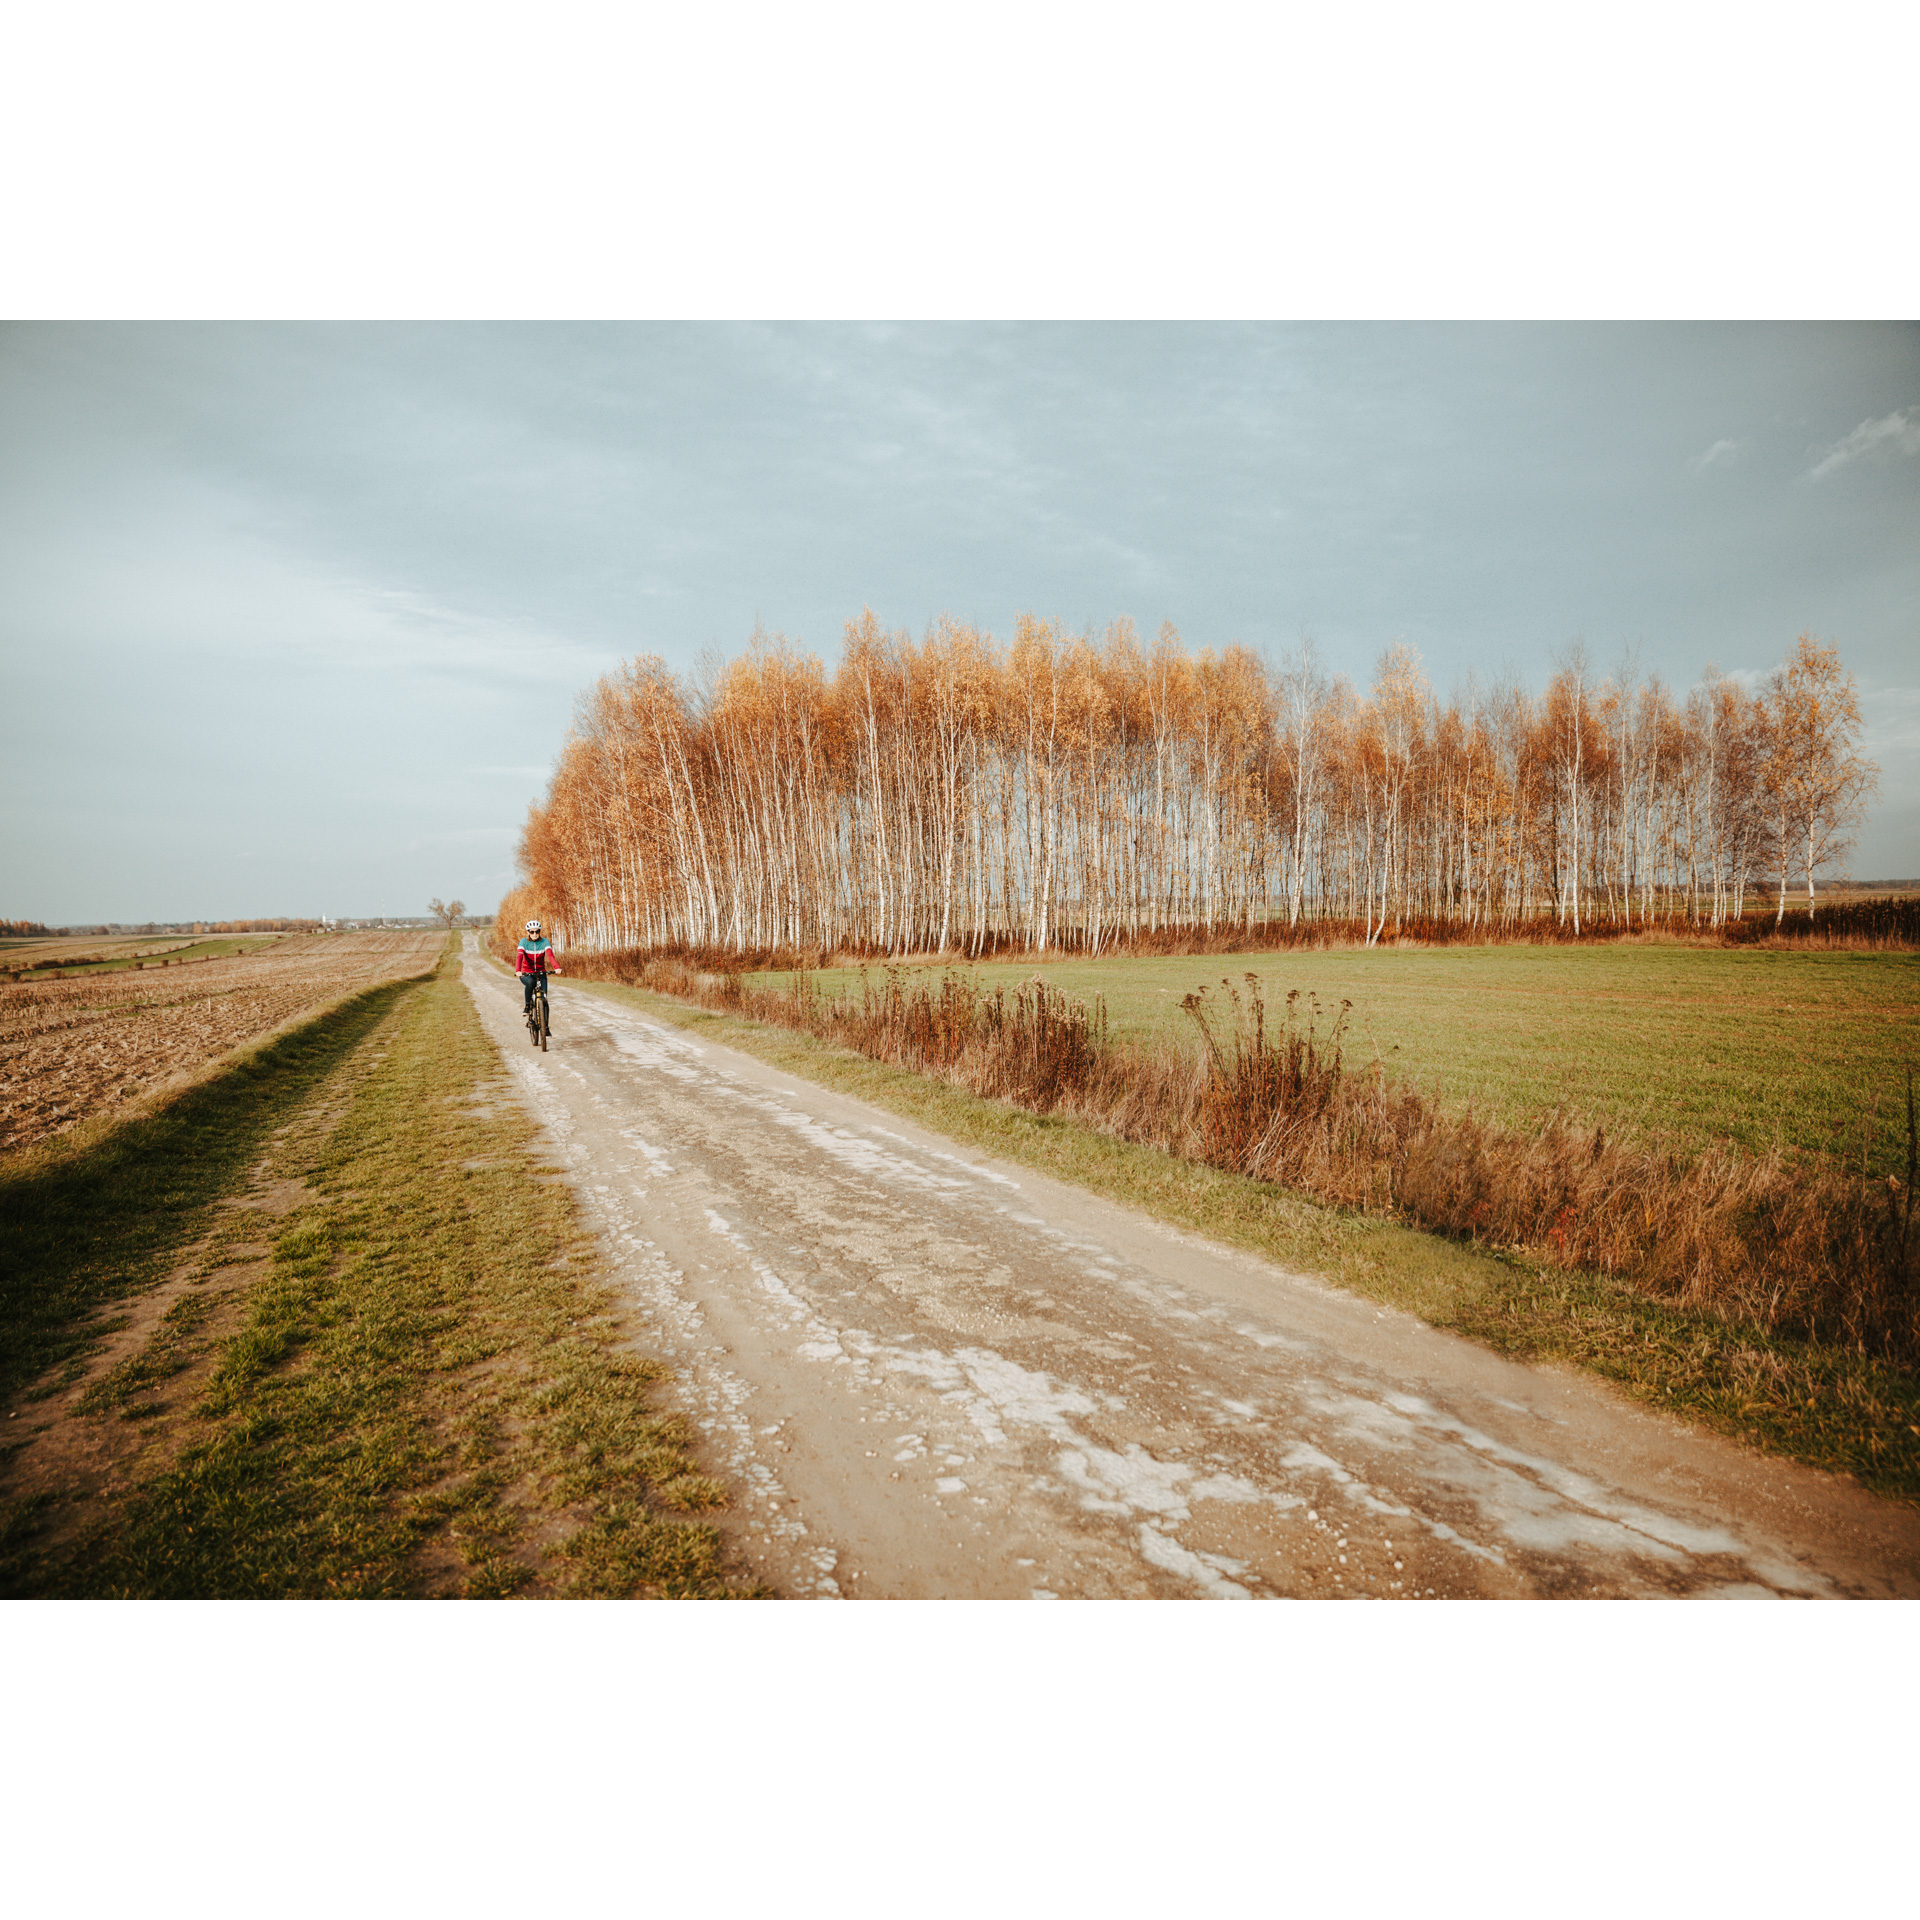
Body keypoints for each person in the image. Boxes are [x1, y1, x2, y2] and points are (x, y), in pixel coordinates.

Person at [516, 919, 562, 1027]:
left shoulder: (544, 942)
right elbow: (519, 957)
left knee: (544, 1000)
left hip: (541, 973)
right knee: (530, 983)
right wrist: (518, 970)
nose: (535, 934)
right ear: (528, 932)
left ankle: (545, 1026)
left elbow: (550, 956)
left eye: (537, 931)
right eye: (532, 932)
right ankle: (527, 1006)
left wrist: (557, 967)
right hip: (527, 973)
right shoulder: (523, 942)